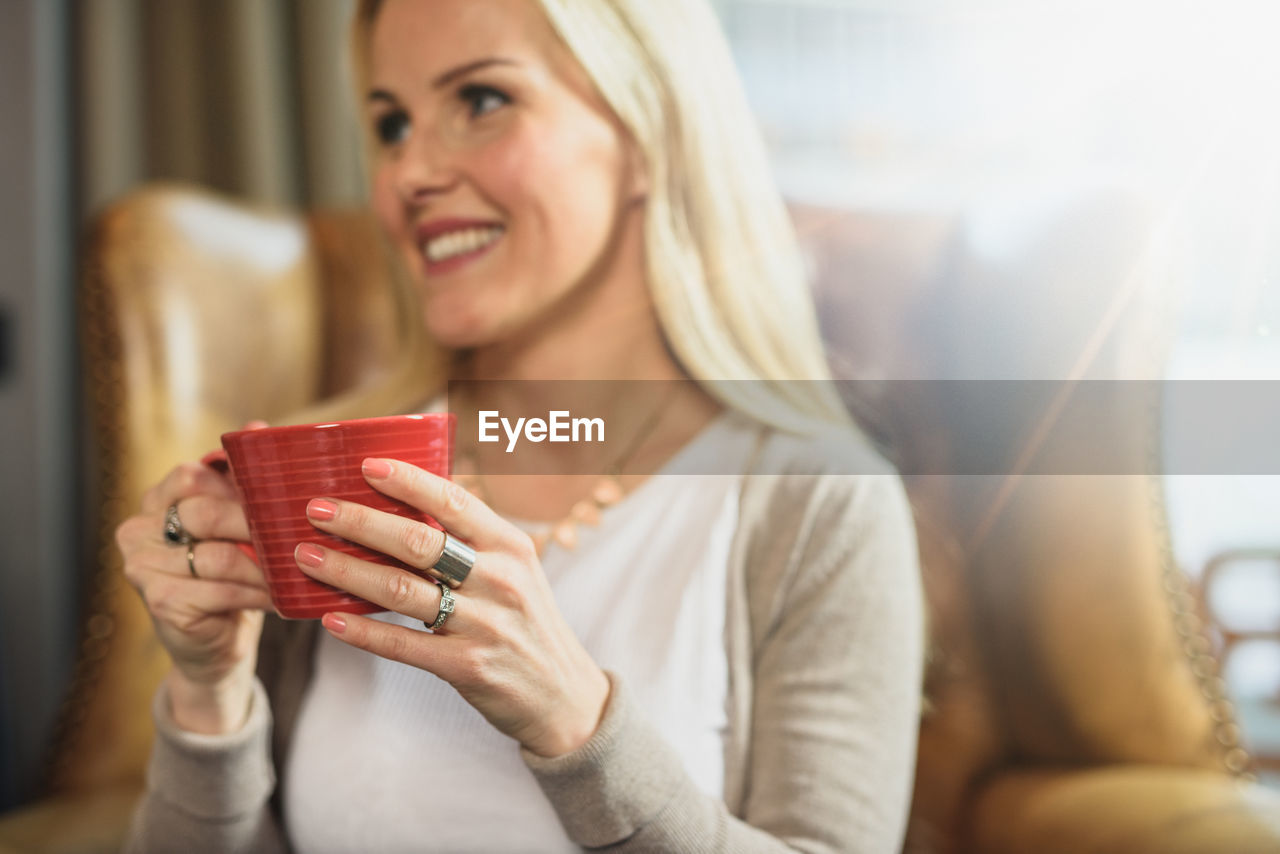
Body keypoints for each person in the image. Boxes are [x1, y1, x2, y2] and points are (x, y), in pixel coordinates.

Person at [118, 0, 924, 851]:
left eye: (481, 100)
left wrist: (574, 721)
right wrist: (209, 699)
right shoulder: (328, 476)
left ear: (649, 134)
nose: (407, 175)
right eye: (392, 124)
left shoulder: (820, 502)